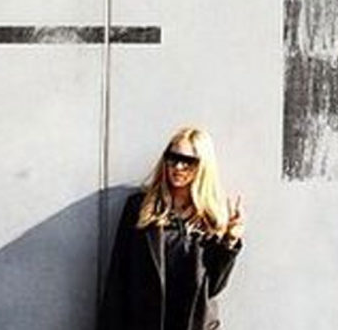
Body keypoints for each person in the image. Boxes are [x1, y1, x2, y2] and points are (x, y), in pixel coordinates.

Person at [98, 127, 244, 330]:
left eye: (188, 161)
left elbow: (213, 287)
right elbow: (118, 278)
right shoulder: (140, 208)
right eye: (173, 158)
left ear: (203, 166)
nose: (178, 166)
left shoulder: (212, 218)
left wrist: (230, 241)